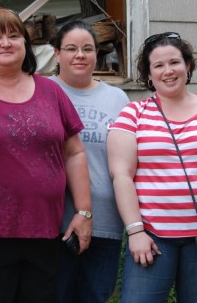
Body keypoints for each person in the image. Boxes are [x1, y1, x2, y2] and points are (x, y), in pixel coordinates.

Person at [0, 8, 92, 303]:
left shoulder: (51, 91)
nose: (6, 43)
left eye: (14, 35)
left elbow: (74, 151)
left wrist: (84, 212)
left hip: (43, 232)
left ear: (26, 44)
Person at [107, 32, 197, 303]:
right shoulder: (133, 114)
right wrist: (135, 231)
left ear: (188, 65)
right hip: (152, 237)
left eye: (175, 62)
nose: (168, 71)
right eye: (158, 66)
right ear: (148, 74)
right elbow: (121, 175)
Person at [50, 20, 130, 303]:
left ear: (97, 54)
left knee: (96, 296)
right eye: (71, 48)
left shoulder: (117, 99)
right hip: (54, 223)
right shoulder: (42, 91)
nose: (79, 55)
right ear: (57, 53)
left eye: (87, 49)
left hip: (107, 220)